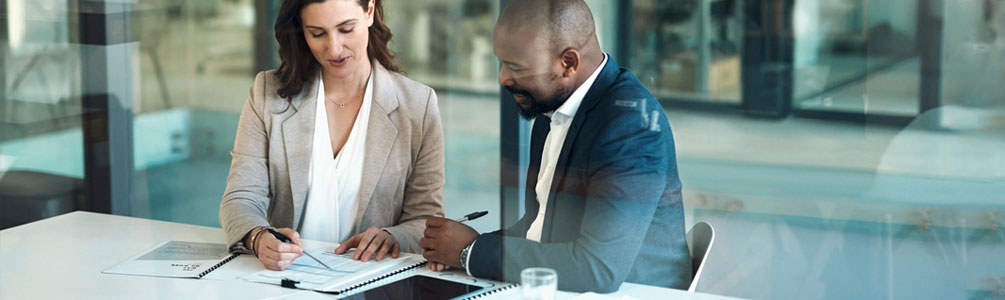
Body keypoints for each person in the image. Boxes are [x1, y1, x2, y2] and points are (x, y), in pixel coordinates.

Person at [419, 0, 691, 293]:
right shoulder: (553, 109)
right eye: (501, 62)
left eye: (515, 67)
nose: (502, 78)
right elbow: (539, 226)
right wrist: (463, 247)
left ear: (568, 63)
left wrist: (471, 252)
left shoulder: (629, 126)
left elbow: (596, 269)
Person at [220, 0, 444, 271]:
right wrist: (257, 237)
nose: (334, 48)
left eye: (346, 29)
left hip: (372, 281)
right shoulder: (267, 94)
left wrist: (393, 237)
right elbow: (241, 197)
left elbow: (426, 218)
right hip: (285, 279)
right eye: (317, 33)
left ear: (370, 11)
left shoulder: (418, 104)